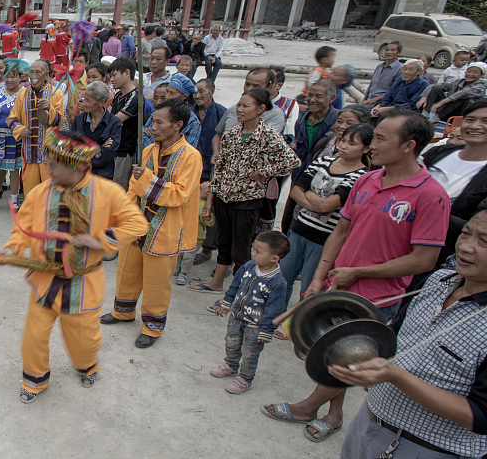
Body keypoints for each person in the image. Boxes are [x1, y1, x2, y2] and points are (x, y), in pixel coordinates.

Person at [264, 109, 449, 443]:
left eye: (379, 138)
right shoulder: (367, 179)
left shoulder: (430, 195)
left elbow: (424, 260)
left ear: (408, 146)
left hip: (379, 297)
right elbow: (340, 231)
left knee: (348, 359)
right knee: (331, 351)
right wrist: (321, 276)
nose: (371, 145)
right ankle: (333, 415)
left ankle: (309, 407)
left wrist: (360, 272)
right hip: (339, 285)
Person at [0, 130, 148, 403]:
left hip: (83, 282)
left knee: (83, 340)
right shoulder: (40, 192)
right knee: (33, 335)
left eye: (54, 163)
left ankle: (87, 365)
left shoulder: (108, 192)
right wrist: (12, 247)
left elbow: (137, 224)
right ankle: (35, 379)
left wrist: (99, 239)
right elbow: (24, 229)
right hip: (44, 278)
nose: (48, 168)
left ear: (77, 164)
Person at [330, 208, 487, 459]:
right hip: (369, 419)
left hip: (425, 448)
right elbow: (395, 332)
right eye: (465, 233)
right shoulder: (439, 280)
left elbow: (480, 417)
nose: (466, 247)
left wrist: (395, 376)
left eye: (484, 241)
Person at [101, 100, 202, 348]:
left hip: (165, 228)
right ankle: (123, 311)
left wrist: (146, 179)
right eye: (153, 121)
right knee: (127, 270)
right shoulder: (148, 151)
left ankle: (152, 327)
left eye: (159, 122)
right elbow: (135, 189)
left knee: (157, 282)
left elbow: (180, 195)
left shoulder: (191, 156)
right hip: (138, 223)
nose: (152, 127)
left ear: (178, 125)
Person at [195, 89, 299, 295]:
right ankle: (216, 283)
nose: (239, 109)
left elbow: (292, 160)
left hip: (247, 200)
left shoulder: (268, 134)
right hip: (223, 197)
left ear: (260, 109)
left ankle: (238, 292)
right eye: (239, 105)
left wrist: (264, 172)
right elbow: (220, 168)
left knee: (241, 249)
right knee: (223, 243)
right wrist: (210, 200)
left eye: (245, 106)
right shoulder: (232, 133)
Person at [280, 124, 372, 307]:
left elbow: (329, 204)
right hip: (298, 230)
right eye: (343, 140)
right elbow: (295, 191)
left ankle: (294, 323)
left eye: (352, 143)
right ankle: (272, 318)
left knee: (310, 286)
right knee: (282, 279)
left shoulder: (361, 176)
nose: (344, 146)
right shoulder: (324, 162)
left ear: (367, 148)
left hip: (323, 240)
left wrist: (311, 198)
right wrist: (319, 205)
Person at [209, 231, 288, 395]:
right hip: (237, 317)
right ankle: (231, 365)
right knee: (231, 341)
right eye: (253, 249)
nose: (253, 253)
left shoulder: (277, 282)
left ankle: (245, 378)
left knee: (250, 352)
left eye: (258, 251)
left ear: (274, 258)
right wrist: (226, 303)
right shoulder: (248, 267)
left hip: (255, 326)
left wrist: (267, 330)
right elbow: (235, 286)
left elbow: (275, 309)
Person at [420, 98, 487, 269]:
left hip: (444, 256)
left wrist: (426, 212)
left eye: (485, 121)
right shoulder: (439, 152)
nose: (475, 126)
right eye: (470, 120)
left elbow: (475, 225)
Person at [8, 59, 63, 196]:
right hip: (28, 153)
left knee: (51, 191)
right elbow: (11, 118)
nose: (34, 75)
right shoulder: (22, 94)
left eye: (38, 72)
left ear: (46, 74)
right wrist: (20, 129)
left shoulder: (55, 94)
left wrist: (49, 109)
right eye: (31, 72)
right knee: (30, 193)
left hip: (48, 154)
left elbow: (60, 121)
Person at [0, 62, 26, 210]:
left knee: (14, 170)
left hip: (15, 138)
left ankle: (14, 201)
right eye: (7, 77)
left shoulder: (25, 93)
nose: (9, 80)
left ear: (20, 78)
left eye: (13, 77)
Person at [70, 81, 121, 182]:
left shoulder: (114, 122)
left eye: (88, 101)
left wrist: (85, 154)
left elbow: (109, 153)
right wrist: (99, 149)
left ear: (101, 102)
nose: (84, 104)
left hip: (103, 175)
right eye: (84, 100)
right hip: (80, 174)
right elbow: (72, 147)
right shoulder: (78, 119)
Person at [107, 58, 141, 187]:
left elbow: (114, 121)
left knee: (119, 189)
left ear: (127, 73)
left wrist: (114, 121)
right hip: (112, 149)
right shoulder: (117, 95)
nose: (112, 80)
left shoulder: (135, 97)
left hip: (123, 152)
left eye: (114, 75)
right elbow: (106, 119)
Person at [420, 60, 487, 122]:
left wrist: (438, 104)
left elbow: (461, 94)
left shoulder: (480, 86)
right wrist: (424, 96)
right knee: (436, 89)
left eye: (475, 72)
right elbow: (436, 86)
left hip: (464, 113)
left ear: (481, 75)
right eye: (469, 71)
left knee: (459, 98)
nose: (471, 74)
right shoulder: (459, 81)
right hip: (448, 110)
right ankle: (427, 115)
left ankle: (437, 116)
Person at [363, 41, 404, 107]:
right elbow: (371, 85)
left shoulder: (400, 69)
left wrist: (374, 100)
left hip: (383, 102)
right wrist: (363, 100)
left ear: (398, 52)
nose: (388, 52)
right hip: (370, 100)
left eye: (392, 50)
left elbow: (394, 91)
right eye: (387, 50)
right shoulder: (379, 66)